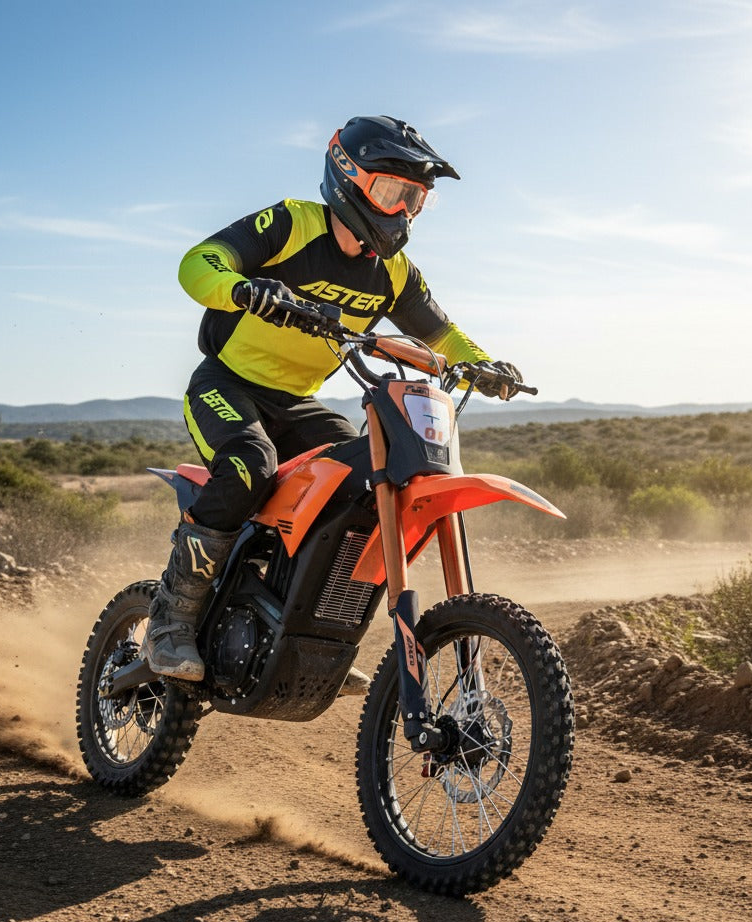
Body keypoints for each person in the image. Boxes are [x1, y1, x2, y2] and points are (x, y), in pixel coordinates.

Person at [142, 115, 520, 684]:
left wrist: (483, 365)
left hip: (295, 401)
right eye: (393, 193)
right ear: (347, 176)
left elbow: (443, 334)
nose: (402, 212)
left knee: (368, 480)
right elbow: (198, 263)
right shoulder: (293, 224)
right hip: (227, 386)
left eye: (416, 201)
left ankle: (298, 632)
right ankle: (170, 622)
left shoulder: (392, 272)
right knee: (249, 464)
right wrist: (244, 288)